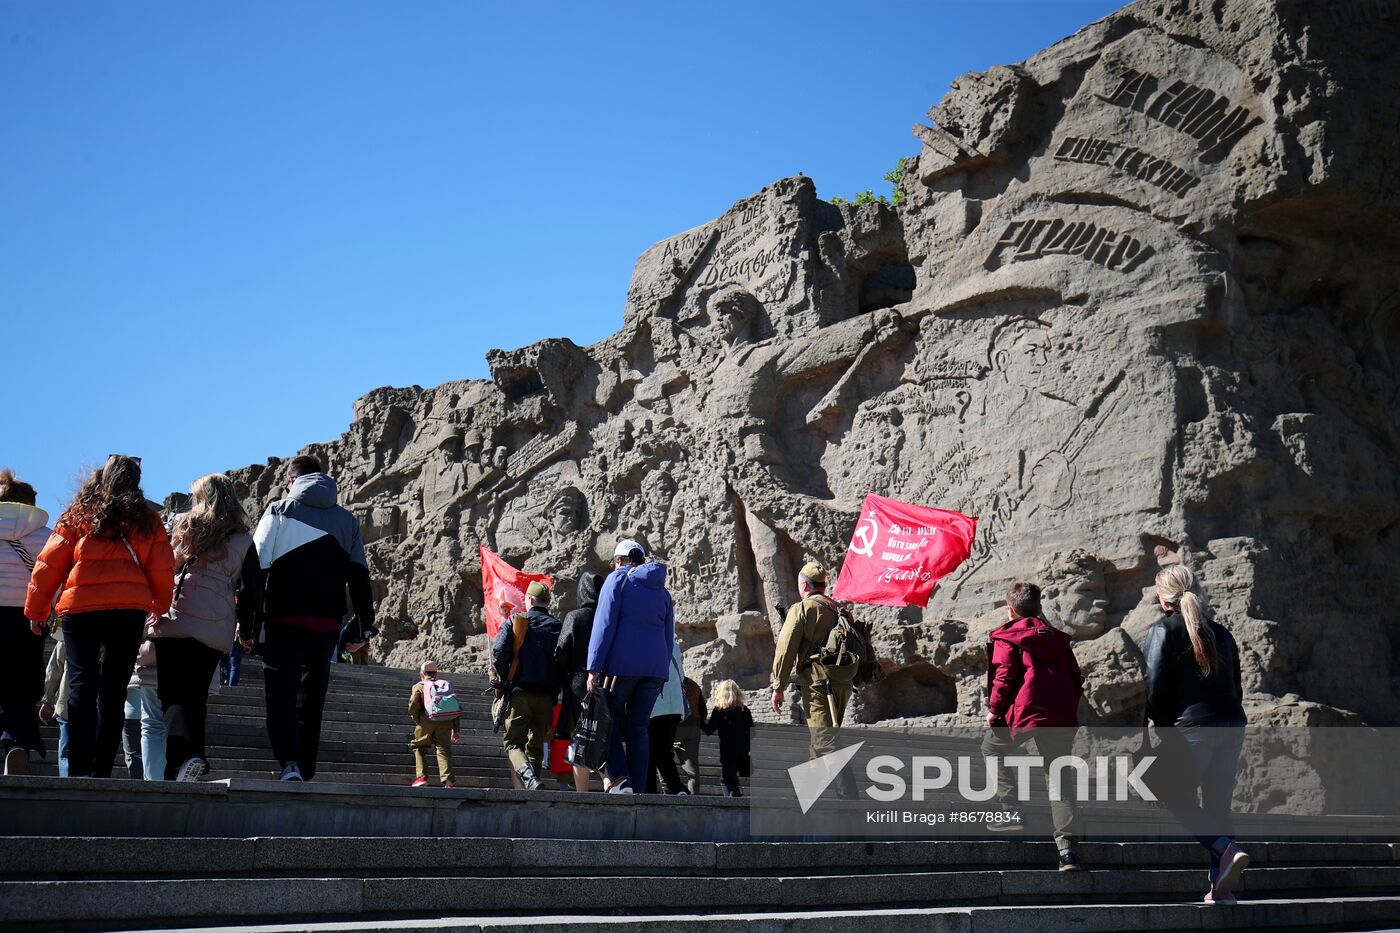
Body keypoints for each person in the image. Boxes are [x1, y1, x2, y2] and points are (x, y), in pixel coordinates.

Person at [25, 455, 175, 779]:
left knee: (81, 684)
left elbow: (48, 565)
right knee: (114, 690)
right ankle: (102, 769)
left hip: (81, 610)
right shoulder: (148, 520)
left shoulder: (79, 514)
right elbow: (162, 568)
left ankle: (78, 768)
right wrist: (160, 606)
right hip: (128, 611)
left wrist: (36, 611)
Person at [248, 455, 374, 782]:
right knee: (312, 697)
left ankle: (288, 762)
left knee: (281, 692)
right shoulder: (346, 520)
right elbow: (360, 573)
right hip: (328, 621)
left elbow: (257, 567)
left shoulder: (279, 510)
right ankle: (306, 769)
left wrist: (247, 620)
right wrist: (365, 621)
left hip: (284, 615)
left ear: (291, 480)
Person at [1143, 564, 1249, 905]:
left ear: (1163, 598)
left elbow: (1155, 686)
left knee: (1173, 796)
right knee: (1218, 806)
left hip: (1191, 728)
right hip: (1232, 723)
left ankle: (1225, 848)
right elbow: (1237, 685)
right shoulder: (1223, 633)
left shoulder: (1163, 631)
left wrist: (1160, 726)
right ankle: (1222, 891)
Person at [152, 473, 259, 781]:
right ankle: (193, 758)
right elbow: (253, 589)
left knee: (172, 696)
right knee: (196, 695)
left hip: (176, 618)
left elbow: (163, 567)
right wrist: (248, 629)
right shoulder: (243, 539)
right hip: (216, 626)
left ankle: (179, 763)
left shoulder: (183, 528)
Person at [981, 581, 1086, 872]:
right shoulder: (1059, 640)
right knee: (1059, 776)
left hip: (1027, 714)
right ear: (1039, 608)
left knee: (991, 748)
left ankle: (1012, 811)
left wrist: (995, 711)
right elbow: (1077, 679)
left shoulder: (1008, 636)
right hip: (1060, 717)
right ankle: (1067, 851)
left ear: (1010, 609)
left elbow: (1004, 676)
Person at [585, 539, 674, 795]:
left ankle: (621, 780)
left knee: (608, 722)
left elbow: (604, 625)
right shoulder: (662, 592)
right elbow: (668, 636)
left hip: (621, 668)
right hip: (654, 671)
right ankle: (639, 786)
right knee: (639, 729)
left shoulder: (618, 581)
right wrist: (662, 673)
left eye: (614, 562)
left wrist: (594, 667)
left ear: (620, 560)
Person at [770, 563, 851, 767]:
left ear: (804, 586)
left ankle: (848, 793)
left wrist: (778, 687)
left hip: (818, 684)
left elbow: (786, 649)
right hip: (844, 682)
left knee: (824, 740)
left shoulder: (802, 609)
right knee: (821, 739)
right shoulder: (841, 609)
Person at [0, 469, 52, 775]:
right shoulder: (43, 536)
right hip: (27, 617)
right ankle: (17, 741)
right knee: (22, 687)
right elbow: (56, 577)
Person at [492, 580, 562, 790]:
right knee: (536, 745)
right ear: (547, 602)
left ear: (530, 599)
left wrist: (506, 678)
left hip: (520, 692)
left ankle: (529, 779)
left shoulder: (516, 620)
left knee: (513, 742)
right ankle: (534, 789)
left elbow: (498, 652)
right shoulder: (558, 626)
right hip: (547, 696)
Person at [555, 571, 603, 792]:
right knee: (603, 736)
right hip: (605, 683)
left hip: (578, 683)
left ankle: (582, 792)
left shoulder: (575, 617)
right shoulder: (609, 616)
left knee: (580, 737)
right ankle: (611, 785)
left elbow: (561, 651)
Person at [409, 660, 459, 788]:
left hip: (426, 720)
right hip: (446, 722)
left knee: (419, 746)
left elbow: (413, 704)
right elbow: (455, 707)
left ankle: (421, 777)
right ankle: (448, 782)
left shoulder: (419, 686)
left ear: (422, 674)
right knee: (443, 750)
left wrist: (417, 719)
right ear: (436, 673)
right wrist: (456, 729)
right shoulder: (445, 686)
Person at [646, 637, 687, 794]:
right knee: (663, 751)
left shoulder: (647, 641)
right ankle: (677, 788)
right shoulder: (673, 644)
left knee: (649, 750)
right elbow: (681, 676)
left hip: (656, 705)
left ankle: (649, 791)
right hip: (675, 706)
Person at [120, 638, 165, 780]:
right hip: (150, 695)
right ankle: (153, 777)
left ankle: (139, 782)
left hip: (130, 709)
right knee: (155, 735)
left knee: (133, 754)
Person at [704, 679, 754, 797]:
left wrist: (699, 720)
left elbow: (709, 730)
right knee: (732, 780)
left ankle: (733, 804)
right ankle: (736, 799)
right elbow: (752, 732)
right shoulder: (744, 710)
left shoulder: (719, 711)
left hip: (728, 752)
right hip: (743, 751)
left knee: (726, 781)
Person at [40, 629, 70, 776]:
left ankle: (66, 781)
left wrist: (47, 701)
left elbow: (53, 672)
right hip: (97, 706)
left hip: (67, 704)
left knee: (66, 751)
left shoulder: (66, 637)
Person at [673, 673, 707, 795]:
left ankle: (668, 791)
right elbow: (703, 712)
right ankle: (694, 797)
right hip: (693, 728)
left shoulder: (671, 682)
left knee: (663, 758)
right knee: (692, 768)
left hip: (675, 728)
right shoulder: (693, 684)